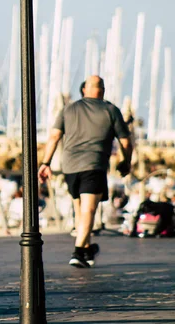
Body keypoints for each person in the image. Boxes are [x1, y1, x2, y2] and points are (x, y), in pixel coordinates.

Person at [38, 75, 133, 268]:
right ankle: (78, 251)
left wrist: (45, 162)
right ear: (103, 90)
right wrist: (126, 162)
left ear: (84, 90)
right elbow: (125, 142)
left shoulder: (68, 109)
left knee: (80, 210)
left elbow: (54, 136)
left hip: (69, 166)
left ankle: (88, 248)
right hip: (94, 164)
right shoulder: (111, 110)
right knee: (89, 209)